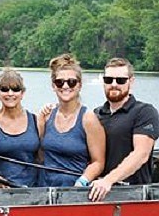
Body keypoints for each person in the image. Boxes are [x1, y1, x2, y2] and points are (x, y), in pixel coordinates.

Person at [89, 58, 159, 201]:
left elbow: (141, 154)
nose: (114, 84)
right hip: (97, 193)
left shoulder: (145, 112)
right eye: (109, 80)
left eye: (120, 80)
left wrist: (108, 180)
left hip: (134, 195)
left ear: (131, 81)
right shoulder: (95, 114)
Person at [39, 54, 105, 187]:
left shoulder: (88, 119)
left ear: (79, 85)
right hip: (43, 188)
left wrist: (83, 180)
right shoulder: (46, 115)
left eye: (71, 82)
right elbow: (39, 154)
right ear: (53, 86)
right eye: (59, 82)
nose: (65, 86)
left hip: (73, 189)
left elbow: (98, 162)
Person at [0, 69, 41, 188]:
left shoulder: (37, 121)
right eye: (4, 89)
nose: (10, 93)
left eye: (16, 89)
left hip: (31, 190)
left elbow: (41, 158)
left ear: (22, 93)